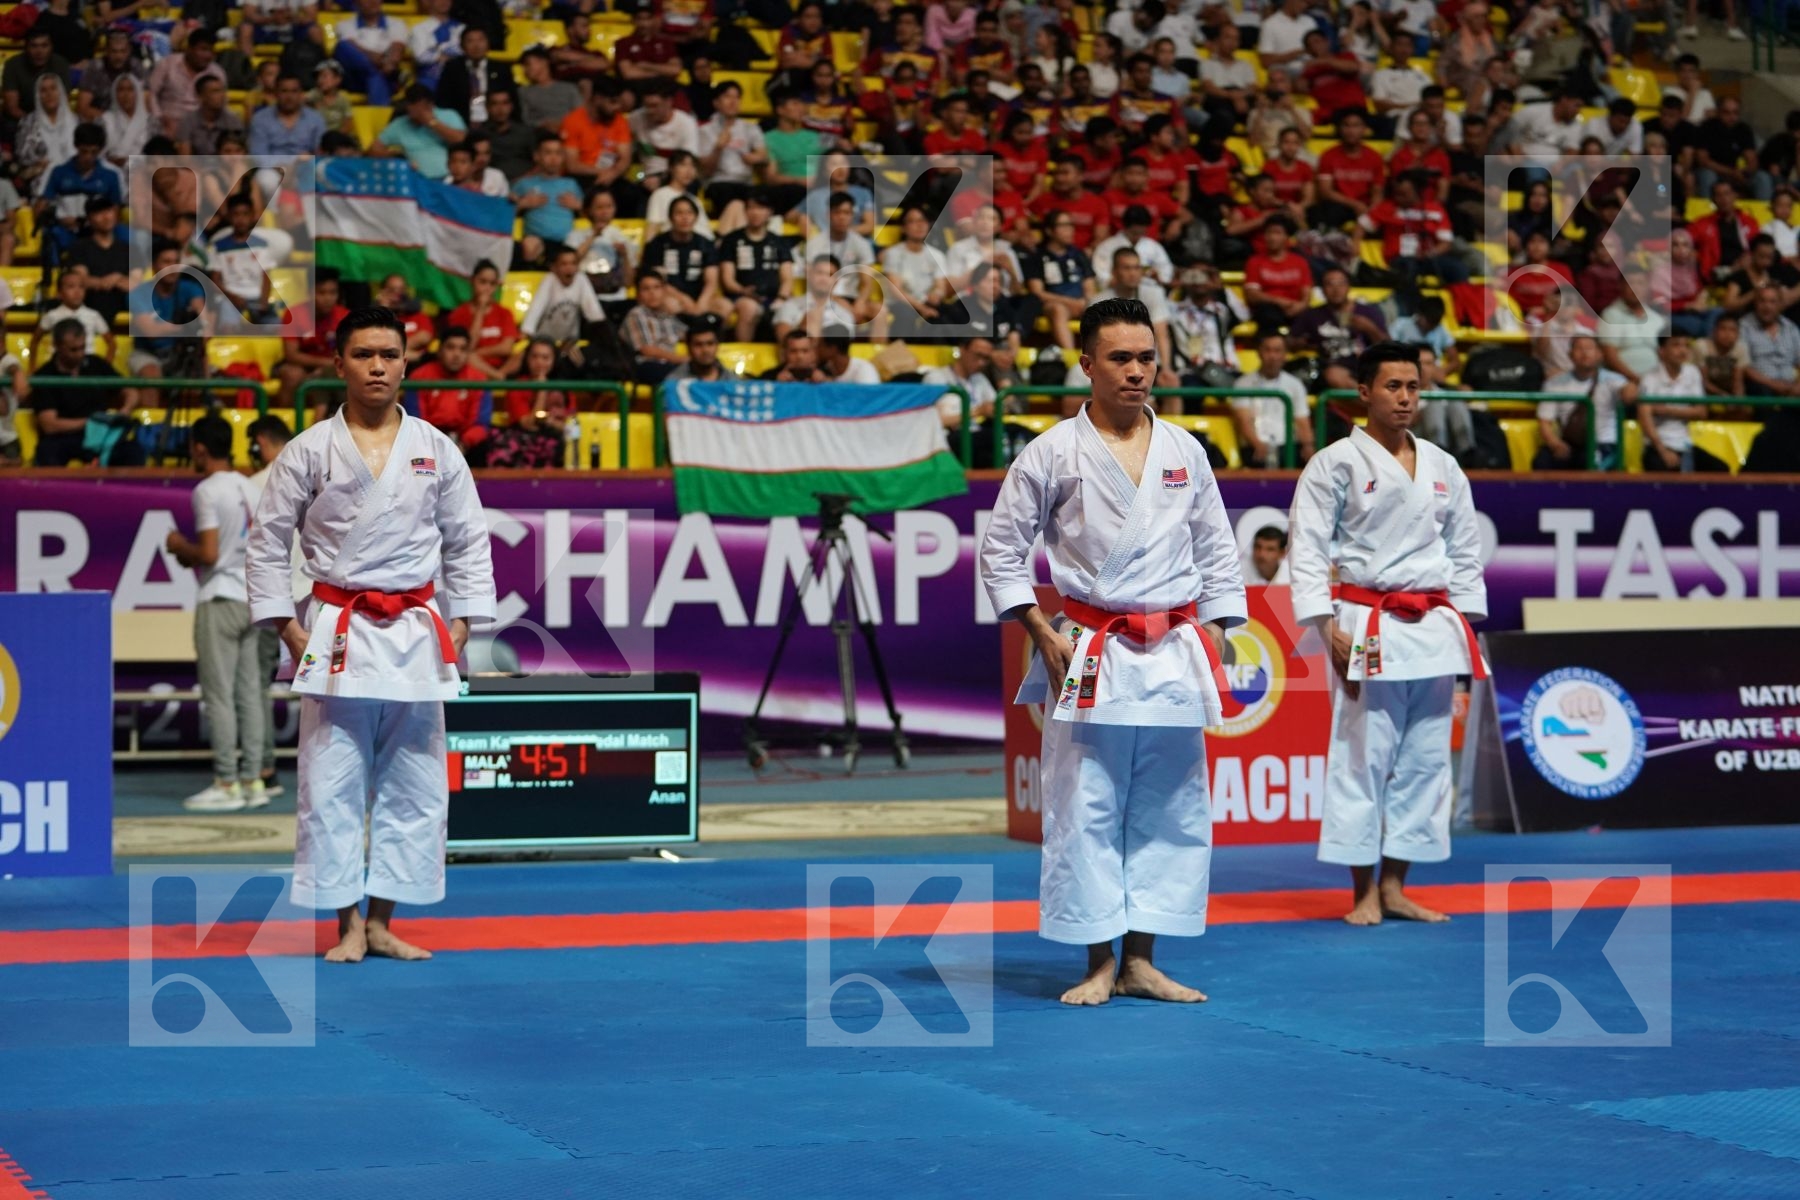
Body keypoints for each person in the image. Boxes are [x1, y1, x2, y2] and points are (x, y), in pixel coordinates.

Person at [980, 296, 1246, 1005]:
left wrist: (1218, 627)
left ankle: (1144, 960)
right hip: (1091, 649)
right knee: (1087, 803)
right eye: (1121, 359)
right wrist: (1039, 628)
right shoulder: (1051, 452)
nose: (1136, 373)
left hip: (1172, 651)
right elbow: (1002, 551)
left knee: (1169, 805)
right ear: (1087, 364)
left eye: (1146, 358)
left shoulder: (1186, 449)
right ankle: (1099, 959)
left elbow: (1218, 548)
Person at [247, 306, 496, 963]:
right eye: (364, 354)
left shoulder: (437, 449)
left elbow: (469, 538)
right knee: (331, 780)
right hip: (337, 631)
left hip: (415, 629)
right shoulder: (307, 451)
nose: (378, 365)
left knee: (414, 779)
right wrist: (287, 626)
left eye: (390, 353)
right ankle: (345, 924)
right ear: (339, 364)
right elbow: (267, 543)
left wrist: (465, 618)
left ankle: (382, 919)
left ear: (407, 361)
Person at [1288, 340, 1486, 926]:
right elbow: (1307, 552)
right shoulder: (1334, 463)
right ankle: (1362, 892)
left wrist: (1464, 621)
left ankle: (1396, 884)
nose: (1405, 398)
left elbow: (1466, 551)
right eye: (1393, 386)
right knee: (1362, 756)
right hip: (1365, 623)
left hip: (1432, 627)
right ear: (1364, 393)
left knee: (1427, 760)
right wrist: (1325, 628)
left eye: (1413, 387)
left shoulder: (1443, 465)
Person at [167, 416, 268, 812]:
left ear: (200, 449)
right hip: (251, 599)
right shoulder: (251, 487)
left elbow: (208, 554)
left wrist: (178, 545)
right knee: (250, 695)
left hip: (220, 598)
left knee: (220, 695)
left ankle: (226, 782)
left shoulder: (207, 491)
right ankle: (254, 781)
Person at [246, 413, 298, 798]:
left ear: (260, 443)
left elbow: (256, 553)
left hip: (281, 606)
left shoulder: (251, 486)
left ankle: (265, 770)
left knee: (256, 687)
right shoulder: (318, 470)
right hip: (322, 599)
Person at [26, 319, 129, 466]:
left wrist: (126, 409)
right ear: (57, 346)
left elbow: (130, 391)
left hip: (99, 436)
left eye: (83, 348)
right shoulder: (45, 375)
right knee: (47, 452)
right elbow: (49, 425)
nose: (80, 354)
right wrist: (90, 422)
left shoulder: (96, 364)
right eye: (73, 350)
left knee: (131, 451)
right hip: (62, 438)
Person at [1535, 334, 1635, 470]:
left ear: (1600, 354)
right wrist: (1555, 443)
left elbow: (1628, 392)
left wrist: (1629, 389)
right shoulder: (1555, 384)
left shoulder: (1614, 380)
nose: (1584, 353)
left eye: (1589, 348)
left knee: (1592, 465)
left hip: (1603, 444)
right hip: (1571, 443)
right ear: (1570, 355)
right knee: (1542, 462)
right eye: (1579, 348)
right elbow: (1545, 422)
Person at [1234, 332, 1313, 468]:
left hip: (1287, 447)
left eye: (1277, 351)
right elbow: (1243, 421)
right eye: (1267, 350)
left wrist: (1308, 446)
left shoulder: (1295, 384)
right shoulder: (1243, 383)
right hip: (1255, 446)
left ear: (1285, 355)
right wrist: (1257, 444)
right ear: (1259, 353)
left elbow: (1302, 421)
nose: (1272, 356)